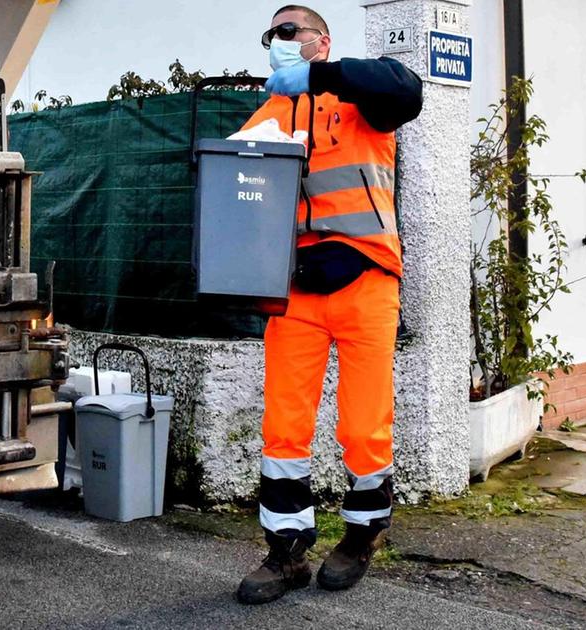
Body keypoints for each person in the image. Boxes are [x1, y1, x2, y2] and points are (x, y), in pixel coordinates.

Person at [234, 4, 423, 605]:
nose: (278, 43)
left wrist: (322, 76)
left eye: (289, 32)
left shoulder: (359, 95)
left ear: (321, 40)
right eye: (271, 35)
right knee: (284, 425)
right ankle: (285, 553)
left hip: (368, 278)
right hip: (296, 287)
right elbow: (234, 176)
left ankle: (363, 535)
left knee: (363, 424)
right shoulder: (273, 110)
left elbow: (405, 89)